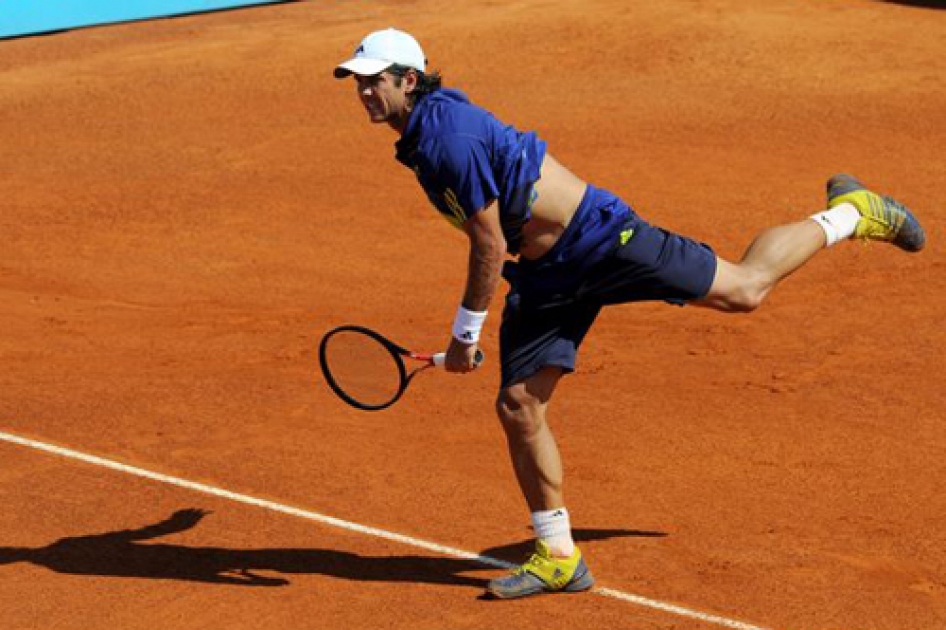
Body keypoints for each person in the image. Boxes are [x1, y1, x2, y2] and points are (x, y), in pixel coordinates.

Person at [333, 28, 925, 600]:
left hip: (599, 239)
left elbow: (486, 243)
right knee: (518, 404)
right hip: (547, 276)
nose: (362, 92)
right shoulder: (423, 132)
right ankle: (559, 557)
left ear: (409, 80)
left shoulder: (444, 139)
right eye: (356, 81)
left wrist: (466, 335)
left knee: (743, 290)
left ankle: (850, 213)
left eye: (372, 80)